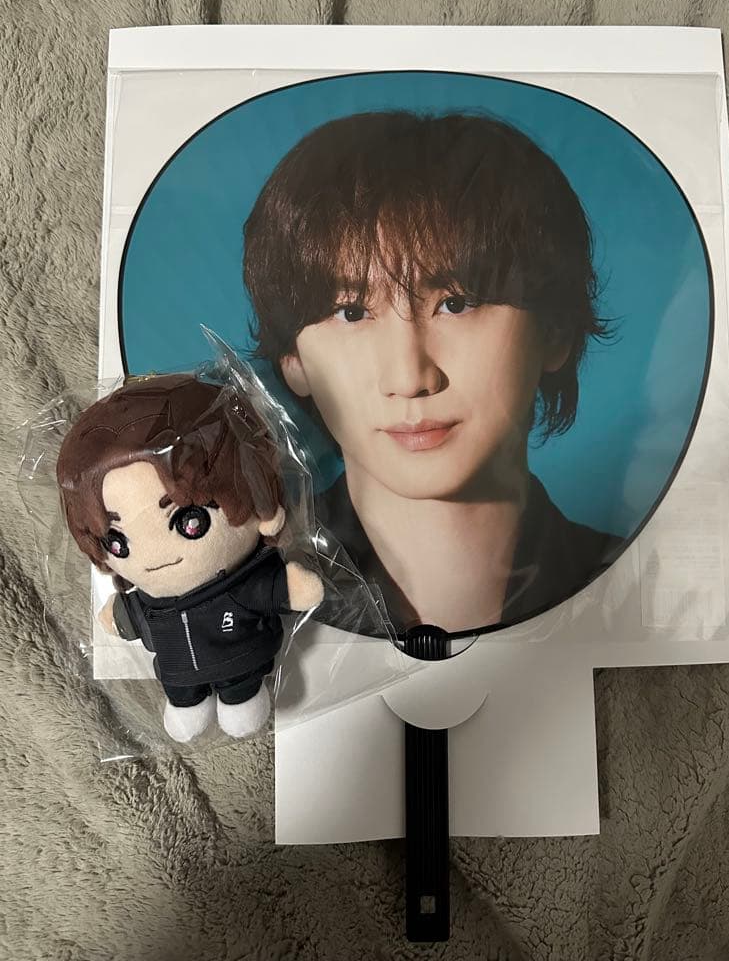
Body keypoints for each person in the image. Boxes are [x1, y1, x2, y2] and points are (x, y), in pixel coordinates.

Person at [243, 110, 621, 635]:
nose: (410, 378)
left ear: (554, 329)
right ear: (293, 358)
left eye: (456, 304)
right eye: (351, 312)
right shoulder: (232, 600)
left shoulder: (641, 584)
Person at [56, 374, 323, 741]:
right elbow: (132, 616)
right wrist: (118, 615)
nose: (157, 555)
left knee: (241, 700)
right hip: (176, 674)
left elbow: (273, 588)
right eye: (117, 543)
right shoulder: (150, 603)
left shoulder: (239, 585)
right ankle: (185, 703)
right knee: (183, 700)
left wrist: (291, 586)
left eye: (190, 522)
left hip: (241, 662)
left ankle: (240, 696)